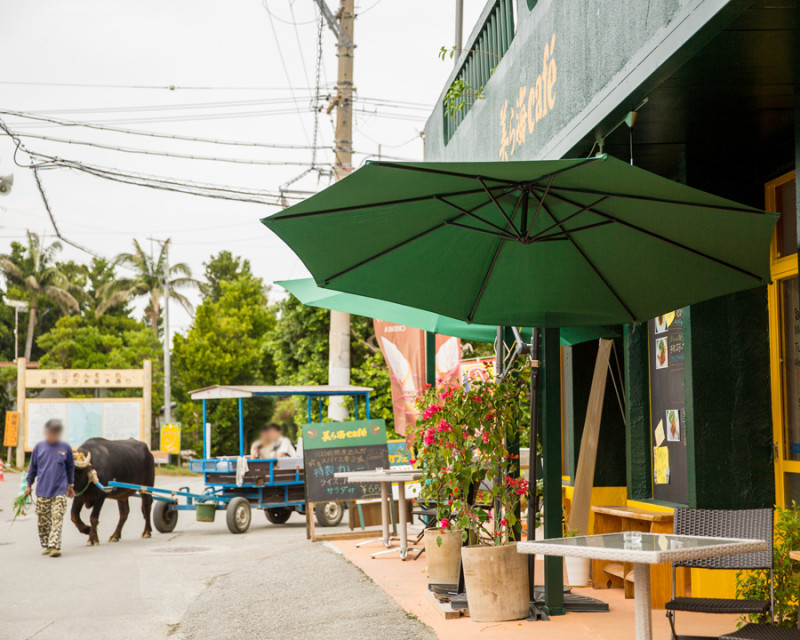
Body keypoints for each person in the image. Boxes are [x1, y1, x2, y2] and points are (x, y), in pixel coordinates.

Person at [25, 419, 75, 558]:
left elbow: (70, 467)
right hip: (42, 491)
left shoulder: (65, 448)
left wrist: (70, 485)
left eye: (56, 433)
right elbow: (32, 468)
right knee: (42, 521)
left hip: (59, 490)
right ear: (46, 433)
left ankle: (54, 546)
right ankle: (46, 544)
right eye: (51, 432)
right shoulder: (39, 447)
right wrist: (29, 485)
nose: (53, 435)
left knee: (57, 518)